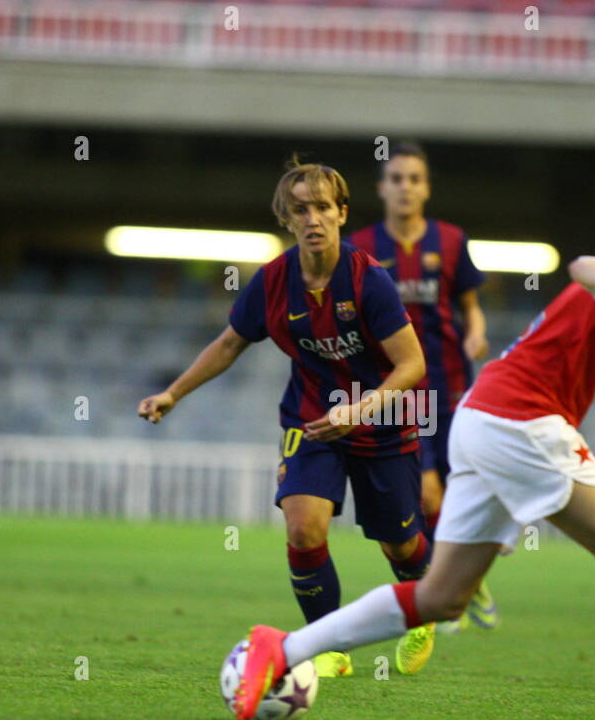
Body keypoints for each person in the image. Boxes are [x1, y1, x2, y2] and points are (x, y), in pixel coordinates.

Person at [230, 196, 595, 720]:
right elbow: (585, 267)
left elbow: (566, 382)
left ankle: (283, 648)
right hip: (519, 425)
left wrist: (592, 466)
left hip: (490, 420)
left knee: (441, 597)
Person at [139, 159, 439, 678]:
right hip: (312, 420)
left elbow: (413, 365)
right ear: (287, 220)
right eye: (301, 210)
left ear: (342, 213)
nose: (313, 218)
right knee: (303, 529)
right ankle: (330, 647)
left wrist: (363, 408)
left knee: (401, 543)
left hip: (385, 422)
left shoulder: (371, 282)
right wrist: (173, 393)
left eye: (323, 207)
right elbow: (231, 342)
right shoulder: (273, 282)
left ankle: (421, 612)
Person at [348, 141, 499, 633]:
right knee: (422, 492)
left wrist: (475, 331)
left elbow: (469, 304)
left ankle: (452, 585)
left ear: (426, 187)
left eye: (414, 178)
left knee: (456, 488)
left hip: (451, 384)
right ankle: (444, 589)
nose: (405, 187)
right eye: (396, 179)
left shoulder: (452, 241)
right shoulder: (362, 246)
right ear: (382, 188)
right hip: (397, 389)